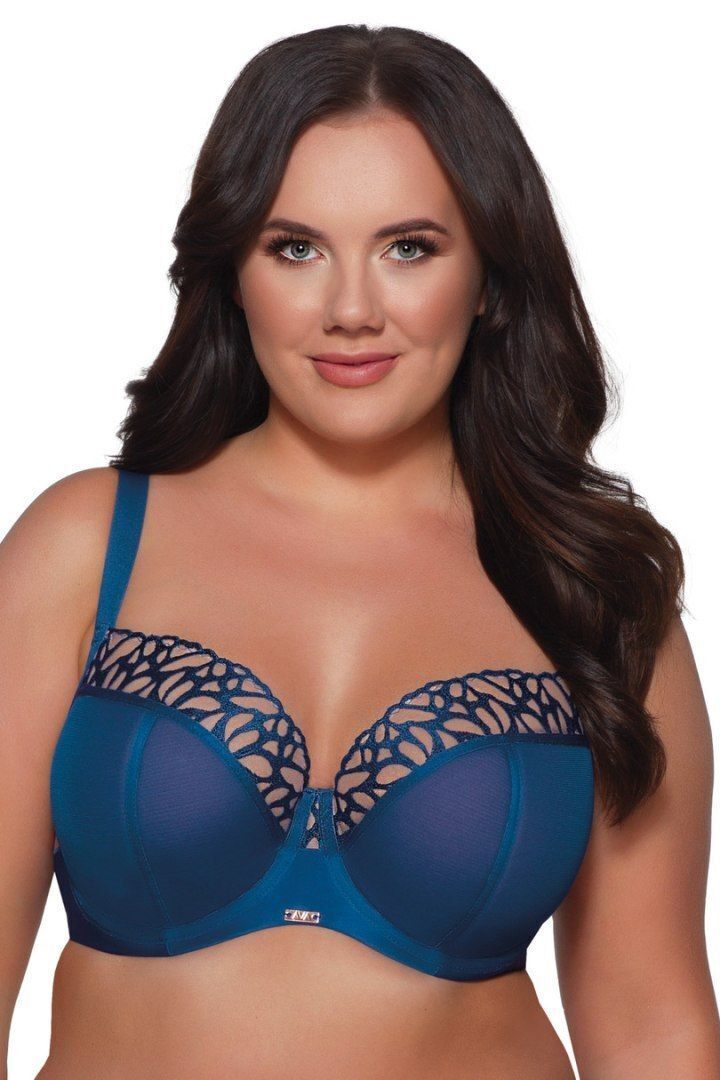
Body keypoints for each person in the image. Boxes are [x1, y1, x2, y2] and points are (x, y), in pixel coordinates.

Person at [2, 23, 718, 1080]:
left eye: (409, 248)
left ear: (489, 276)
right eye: (295, 248)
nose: (350, 310)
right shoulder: (86, 544)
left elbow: (652, 1025)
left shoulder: (593, 590)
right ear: (232, 270)